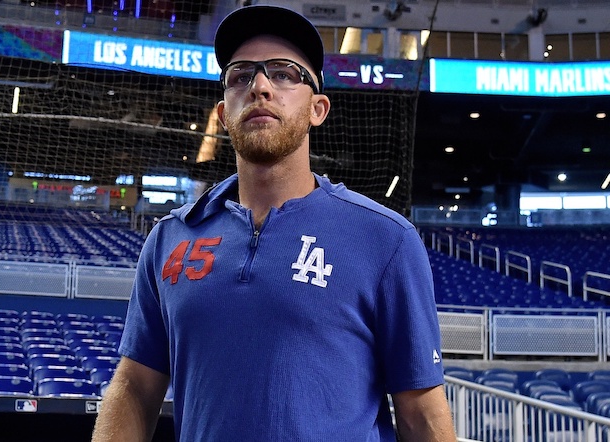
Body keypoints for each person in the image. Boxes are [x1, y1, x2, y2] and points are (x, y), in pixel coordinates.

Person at [92, 5, 456, 442]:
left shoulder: (387, 239)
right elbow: (134, 388)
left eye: (284, 73)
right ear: (224, 114)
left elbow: (422, 415)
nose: (260, 86)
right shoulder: (168, 238)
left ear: (318, 109)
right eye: (241, 76)